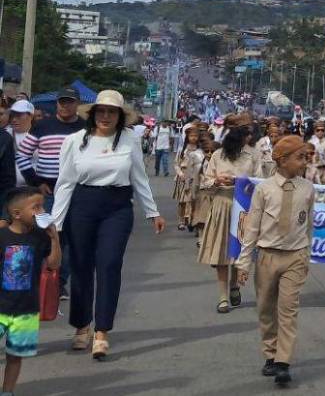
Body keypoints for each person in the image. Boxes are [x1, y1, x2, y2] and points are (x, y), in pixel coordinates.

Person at [50, 90, 165, 359]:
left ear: (120, 116)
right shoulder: (75, 141)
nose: (105, 116)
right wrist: (55, 224)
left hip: (117, 207)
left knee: (110, 264)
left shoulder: (129, 140)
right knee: (80, 266)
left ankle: (102, 331)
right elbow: (65, 182)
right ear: (92, 114)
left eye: (111, 112)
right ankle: (82, 326)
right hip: (82, 204)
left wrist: (153, 212)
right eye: (100, 111)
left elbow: (139, 177)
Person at [236, 135, 315, 386]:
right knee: (266, 309)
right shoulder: (265, 189)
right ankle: (270, 354)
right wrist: (244, 262)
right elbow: (252, 227)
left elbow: (309, 225)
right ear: (281, 160)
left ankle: (283, 362)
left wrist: (306, 254)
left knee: (288, 310)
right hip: (267, 256)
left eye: (305, 157)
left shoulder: (308, 188)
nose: (304, 162)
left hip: (295, 256)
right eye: (299, 157)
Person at [15, 88, 85, 292]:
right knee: (45, 235)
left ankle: (60, 282)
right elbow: (22, 155)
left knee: (71, 237)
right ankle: (42, 277)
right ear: (56, 103)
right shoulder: (42, 126)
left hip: (76, 191)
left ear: (77, 104)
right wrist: (36, 182)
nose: (65, 105)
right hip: (48, 191)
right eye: (61, 101)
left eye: (69, 102)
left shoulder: (85, 128)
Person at [197, 114, 261, 313]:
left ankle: (235, 285)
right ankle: (223, 296)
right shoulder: (217, 156)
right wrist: (216, 181)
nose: (245, 139)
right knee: (222, 254)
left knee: (239, 252)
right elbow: (204, 183)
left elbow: (261, 183)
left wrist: (239, 182)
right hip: (221, 207)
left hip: (244, 209)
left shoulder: (254, 156)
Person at [0, 187, 61, 392]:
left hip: (26, 310)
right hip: (1, 307)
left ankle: (7, 391)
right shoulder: (2, 237)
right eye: (36, 207)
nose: (41, 211)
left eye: (42, 206)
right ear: (17, 214)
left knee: (15, 356)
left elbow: (53, 264)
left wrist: (54, 239)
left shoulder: (40, 237)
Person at [173, 126, 202, 231]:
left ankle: (191, 220)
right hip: (183, 178)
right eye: (191, 136)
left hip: (195, 178)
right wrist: (180, 174)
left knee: (193, 200)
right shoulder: (182, 150)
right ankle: (181, 221)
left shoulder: (200, 150)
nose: (193, 138)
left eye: (195, 136)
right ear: (187, 137)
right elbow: (176, 164)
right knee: (182, 202)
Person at [6, 101, 34, 186]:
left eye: (19, 115)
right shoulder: (4, 135)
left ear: (31, 116)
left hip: (33, 190)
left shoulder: (40, 136)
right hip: (8, 190)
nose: (14, 119)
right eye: (12, 115)